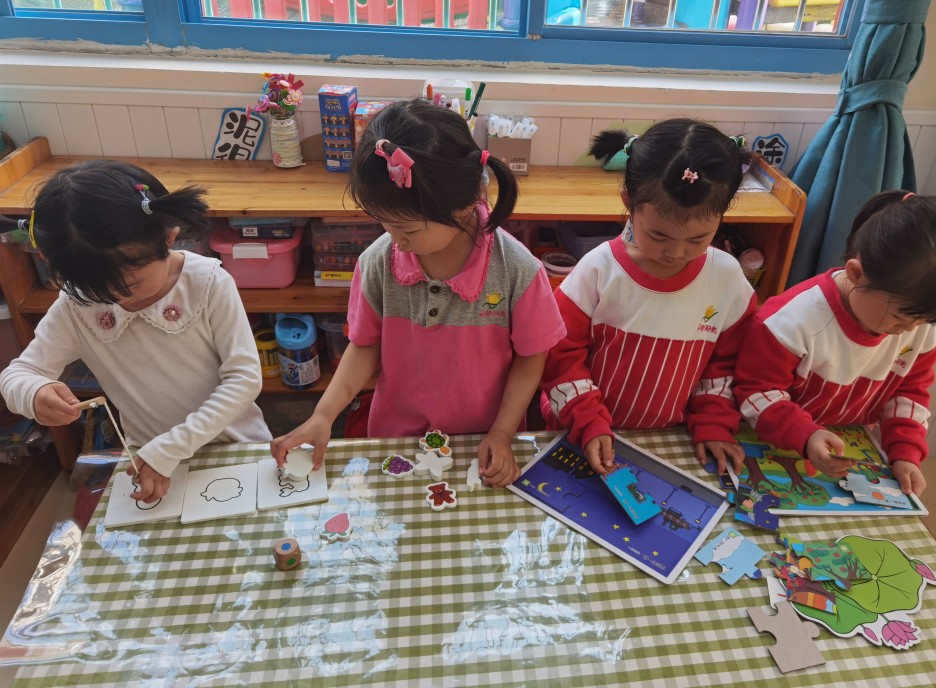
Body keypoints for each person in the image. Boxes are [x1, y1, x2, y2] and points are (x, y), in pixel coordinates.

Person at [270, 99, 565, 487]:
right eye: (385, 225)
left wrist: (502, 431)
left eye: (408, 229)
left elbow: (531, 357)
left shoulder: (518, 271)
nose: (396, 241)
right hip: (398, 439)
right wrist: (323, 415)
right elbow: (364, 346)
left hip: (481, 441)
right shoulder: (378, 262)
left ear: (463, 206)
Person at [0, 161, 269, 502]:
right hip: (150, 462)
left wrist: (171, 447)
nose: (116, 298)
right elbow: (18, 373)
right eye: (97, 289)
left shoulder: (207, 283)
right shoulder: (79, 304)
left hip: (237, 447)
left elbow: (244, 379)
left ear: (168, 235)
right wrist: (34, 392)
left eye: (130, 283)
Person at [733, 190, 936, 495]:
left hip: (848, 450)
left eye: (926, 320)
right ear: (856, 274)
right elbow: (756, 392)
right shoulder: (790, 321)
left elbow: (909, 394)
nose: (910, 329)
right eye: (901, 316)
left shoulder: (921, 325)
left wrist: (905, 453)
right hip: (770, 441)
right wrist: (805, 435)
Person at [541, 120, 757, 475]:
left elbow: (724, 365)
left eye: (697, 239)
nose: (675, 252)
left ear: (723, 215)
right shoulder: (598, 270)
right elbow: (558, 357)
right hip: (579, 432)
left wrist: (714, 422)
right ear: (628, 202)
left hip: (671, 440)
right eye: (658, 236)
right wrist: (587, 420)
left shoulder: (727, 279)